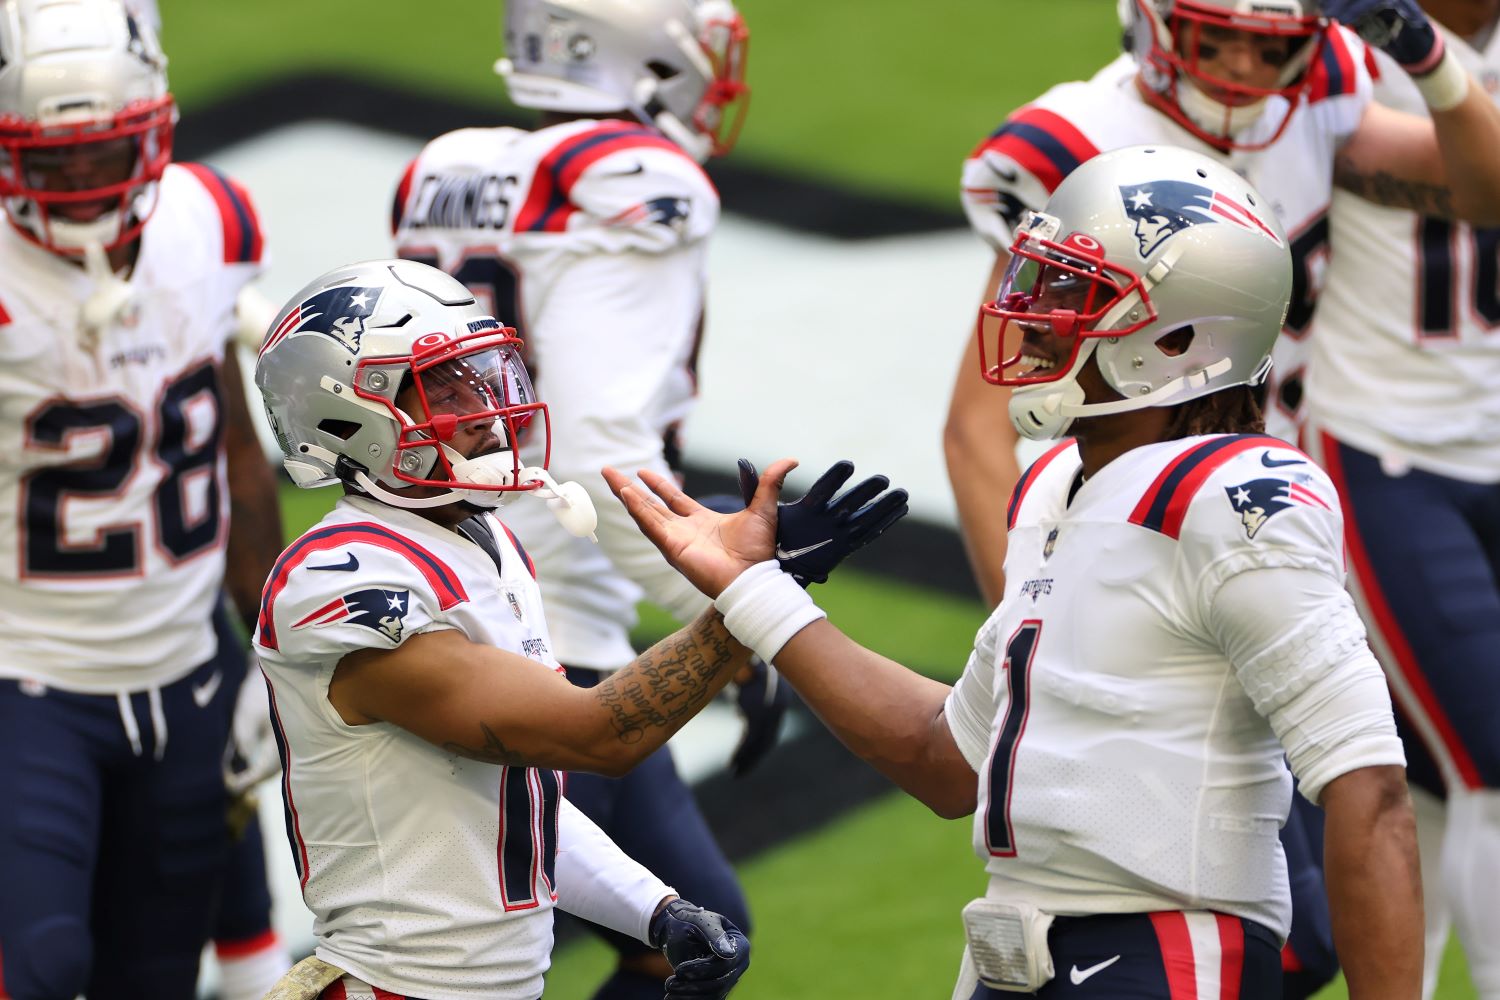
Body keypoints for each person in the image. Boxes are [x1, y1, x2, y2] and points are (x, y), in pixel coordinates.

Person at [609, 145, 1422, 1000]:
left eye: (1077, 293)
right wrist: (753, 592)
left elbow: (1368, 787)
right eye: (1043, 281)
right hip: (1017, 953)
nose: (1033, 313)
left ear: (1178, 338)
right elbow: (947, 759)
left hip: (1167, 953)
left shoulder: (1236, 494)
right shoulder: (1056, 482)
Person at [390, 2, 768, 996]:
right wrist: (729, 615)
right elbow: (603, 449)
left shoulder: (452, 165)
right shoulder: (630, 179)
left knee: (502, 933)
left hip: (444, 577)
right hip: (544, 629)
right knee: (691, 935)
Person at [251, 258, 756, 1000]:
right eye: (445, 387)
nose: (487, 407)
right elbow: (596, 735)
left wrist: (657, 910)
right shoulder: (344, 577)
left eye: (484, 375)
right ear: (347, 419)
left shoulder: (485, 544)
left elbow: (518, 797)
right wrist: (748, 601)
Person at [946, 0, 1500, 610]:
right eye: (1212, 40)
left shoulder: (1313, 104)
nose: (1242, 70)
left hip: (1272, 505)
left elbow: (1484, 192)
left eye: (1271, 49)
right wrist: (1024, 623)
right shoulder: (1083, 143)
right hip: (1130, 515)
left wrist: (1431, 63)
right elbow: (977, 431)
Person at [0, 1, 287, 997]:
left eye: (104, 153)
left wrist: (274, 655)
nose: (83, 188)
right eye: (53, 162)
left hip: (186, 674)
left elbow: (239, 453)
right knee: (37, 966)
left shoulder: (210, 218)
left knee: (152, 979)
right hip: (26, 681)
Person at [1302, 0, 1500, 994]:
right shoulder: (1330, 47)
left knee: (1422, 777)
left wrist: (1430, 58)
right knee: (1490, 764)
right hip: (1387, 448)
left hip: (1489, 438)